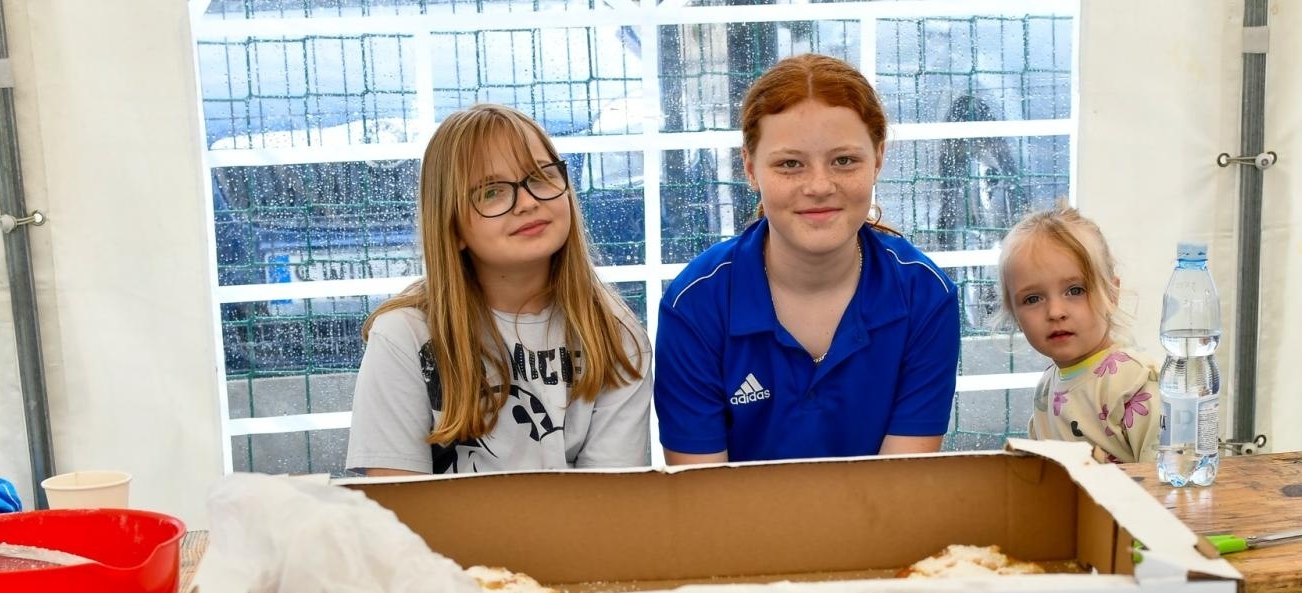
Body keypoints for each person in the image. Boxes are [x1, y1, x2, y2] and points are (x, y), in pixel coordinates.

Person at [654, 54, 960, 464]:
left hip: (878, 526)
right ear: (749, 167)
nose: (819, 185)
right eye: (790, 164)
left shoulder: (926, 297)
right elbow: (702, 499)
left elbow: (899, 491)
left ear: (879, 159)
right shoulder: (695, 306)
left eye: (844, 160)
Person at [345, 104, 651, 476]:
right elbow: (396, 506)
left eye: (540, 177)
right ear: (451, 226)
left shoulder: (616, 334)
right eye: (492, 192)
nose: (527, 202)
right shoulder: (404, 335)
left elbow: (610, 505)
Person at [1000, 203, 1158, 465]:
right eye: (1033, 298)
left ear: (1112, 293)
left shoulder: (1134, 380)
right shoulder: (1046, 387)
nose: (1055, 311)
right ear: (1014, 314)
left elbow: (1169, 482)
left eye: (1075, 290)